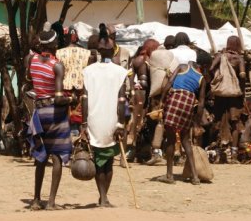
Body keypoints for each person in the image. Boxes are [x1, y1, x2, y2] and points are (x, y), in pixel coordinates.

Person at [23, 26, 71, 210]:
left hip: (38, 112)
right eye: (56, 42)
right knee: (57, 156)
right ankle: (50, 202)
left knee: (40, 157)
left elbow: (29, 79)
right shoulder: (57, 65)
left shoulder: (31, 59)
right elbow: (59, 98)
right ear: (53, 44)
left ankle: (35, 200)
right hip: (54, 113)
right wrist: (72, 99)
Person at [81, 41, 128, 207]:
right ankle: (104, 197)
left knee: (100, 160)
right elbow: (122, 101)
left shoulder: (88, 71)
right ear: (113, 51)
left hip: (94, 120)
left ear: (99, 51)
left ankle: (103, 196)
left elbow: (84, 99)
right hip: (112, 120)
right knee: (108, 161)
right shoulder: (121, 72)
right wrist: (121, 124)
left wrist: (84, 123)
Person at [157, 53, 207, 184]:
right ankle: (195, 177)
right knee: (186, 140)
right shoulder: (202, 78)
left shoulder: (182, 67)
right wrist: (197, 122)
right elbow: (201, 103)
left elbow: (169, 84)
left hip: (175, 100)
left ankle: (169, 175)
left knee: (171, 139)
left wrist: (161, 100)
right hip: (188, 104)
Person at [209, 36, 247, 163]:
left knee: (219, 121)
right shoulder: (239, 58)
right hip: (235, 96)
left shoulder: (220, 56)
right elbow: (242, 75)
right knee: (235, 122)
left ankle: (220, 153)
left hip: (220, 95)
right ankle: (234, 155)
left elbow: (210, 69)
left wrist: (220, 77)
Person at [126, 39, 159, 161]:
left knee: (136, 122)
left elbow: (130, 78)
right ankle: (135, 151)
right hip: (147, 94)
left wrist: (131, 92)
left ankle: (136, 150)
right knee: (140, 122)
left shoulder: (136, 60)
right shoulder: (151, 61)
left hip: (139, 94)